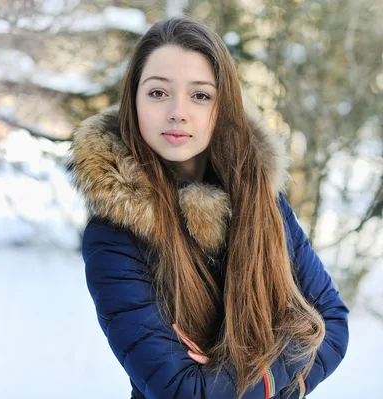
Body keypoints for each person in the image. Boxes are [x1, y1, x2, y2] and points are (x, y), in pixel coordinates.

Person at [68, 17, 349, 399]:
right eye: (157, 93)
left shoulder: (262, 199)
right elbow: (185, 392)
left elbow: (333, 325)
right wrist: (296, 340)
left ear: (223, 107)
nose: (177, 112)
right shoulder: (115, 234)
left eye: (200, 95)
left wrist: (248, 379)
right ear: (132, 101)